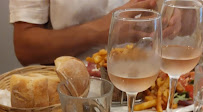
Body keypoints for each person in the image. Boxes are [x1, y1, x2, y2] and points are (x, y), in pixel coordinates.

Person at [9, 0, 158, 66]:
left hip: (156, 89)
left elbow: (180, 21)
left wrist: (179, 20)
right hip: (73, 97)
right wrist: (98, 32)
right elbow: (25, 48)